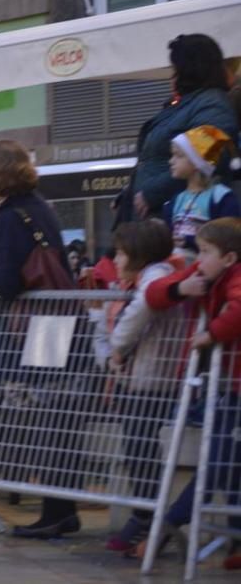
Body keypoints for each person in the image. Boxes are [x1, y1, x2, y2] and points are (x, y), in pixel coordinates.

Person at [0, 139, 86, 539]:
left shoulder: (11, 216)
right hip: (55, 322)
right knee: (57, 419)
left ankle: (56, 511)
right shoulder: (38, 206)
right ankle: (61, 508)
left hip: (35, 327)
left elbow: (7, 281)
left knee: (44, 419)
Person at [140, 218, 241, 570]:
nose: (198, 259)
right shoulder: (204, 272)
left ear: (228, 258)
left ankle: (175, 518)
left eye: (206, 252)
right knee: (226, 458)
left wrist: (210, 333)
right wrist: (182, 290)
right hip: (228, 383)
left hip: (231, 380)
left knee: (223, 457)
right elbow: (154, 292)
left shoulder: (237, 277)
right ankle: (231, 535)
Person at [101, 220, 182, 553]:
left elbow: (138, 313)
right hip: (148, 375)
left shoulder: (154, 277)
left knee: (140, 448)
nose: (116, 259)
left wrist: (117, 345)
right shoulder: (155, 276)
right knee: (138, 448)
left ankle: (146, 516)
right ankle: (144, 514)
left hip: (151, 378)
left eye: (120, 252)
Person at [115, 34, 239, 223]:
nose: (172, 75)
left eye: (175, 68)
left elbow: (210, 155)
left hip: (175, 217)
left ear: (190, 68)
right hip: (158, 213)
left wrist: (153, 192)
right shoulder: (192, 104)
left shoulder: (211, 105)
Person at [164, 125, 241, 258]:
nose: (171, 161)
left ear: (196, 163)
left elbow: (229, 236)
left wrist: (190, 241)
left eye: (178, 155)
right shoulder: (176, 200)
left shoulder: (220, 197)